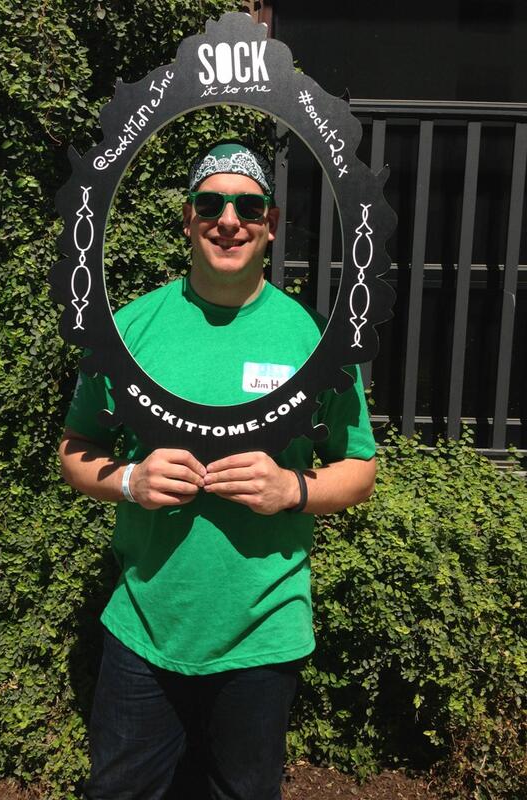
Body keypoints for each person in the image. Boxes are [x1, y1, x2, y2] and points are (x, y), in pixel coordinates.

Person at [59, 141, 376, 800]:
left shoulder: (313, 339)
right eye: (211, 204)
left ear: (271, 223)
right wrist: (129, 481)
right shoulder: (129, 329)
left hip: (263, 633)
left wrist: (291, 488)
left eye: (248, 207)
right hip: (145, 627)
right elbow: (76, 447)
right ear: (188, 219)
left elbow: (359, 468)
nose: (229, 221)